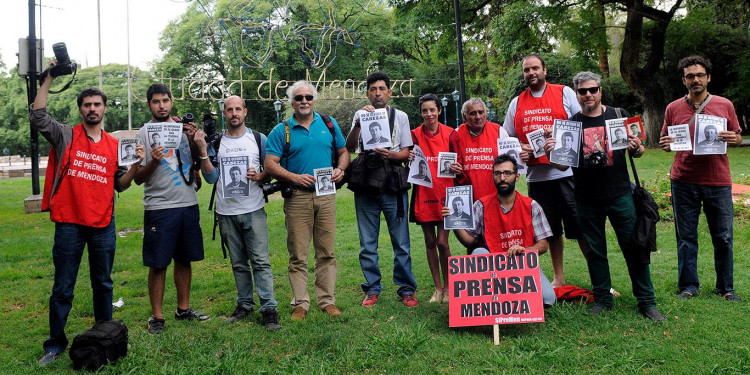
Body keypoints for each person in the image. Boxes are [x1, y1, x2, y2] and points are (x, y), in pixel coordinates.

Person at [32, 61, 143, 364]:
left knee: (103, 284)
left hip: (103, 223)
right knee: (63, 288)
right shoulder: (66, 136)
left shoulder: (115, 144)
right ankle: (54, 344)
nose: (92, 108)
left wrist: (135, 166)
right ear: (80, 109)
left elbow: (121, 185)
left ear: (105, 109)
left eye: (97, 104)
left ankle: (104, 338)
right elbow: (39, 115)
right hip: (69, 223)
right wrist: (49, 78)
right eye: (87, 104)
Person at [546, 71, 665, 320]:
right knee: (595, 250)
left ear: (600, 91)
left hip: (620, 194)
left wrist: (638, 147)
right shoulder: (571, 124)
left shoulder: (619, 116)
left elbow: (639, 152)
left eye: (592, 90)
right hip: (586, 198)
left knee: (634, 248)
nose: (588, 95)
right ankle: (602, 299)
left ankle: (647, 302)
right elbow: (560, 166)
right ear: (576, 94)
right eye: (582, 91)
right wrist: (552, 153)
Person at [265, 80, 350, 320]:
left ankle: (327, 301)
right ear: (292, 102)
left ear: (314, 100)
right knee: (298, 255)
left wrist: (341, 169)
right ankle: (300, 303)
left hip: (326, 196)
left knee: (326, 252)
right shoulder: (282, 130)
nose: (304, 101)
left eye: (308, 97)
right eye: (299, 98)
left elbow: (344, 152)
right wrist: (294, 177)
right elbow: (270, 163)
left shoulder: (329, 124)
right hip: (298, 198)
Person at [659, 55, 742, 301]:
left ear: (708, 77)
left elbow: (737, 136)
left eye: (699, 75)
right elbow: (665, 140)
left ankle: (726, 287)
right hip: (683, 179)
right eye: (690, 76)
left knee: (724, 237)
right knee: (686, 237)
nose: (695, 79)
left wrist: (732, 139)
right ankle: (688, 286)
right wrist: (666, 144)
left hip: (717, 180)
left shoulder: (724, 105)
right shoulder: (673, 108)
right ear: (684, 80)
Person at [195, 95, 281, 330]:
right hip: (226, 211)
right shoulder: (217, 142)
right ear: (224, 113)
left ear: (245, 112)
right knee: (238, 263)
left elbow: (271, 169)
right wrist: (203, 151)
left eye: (238, 109)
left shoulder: (257, 139)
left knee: (261, 261)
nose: (234, 113)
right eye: (229, 110)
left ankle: (269, 308)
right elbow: (211, 177)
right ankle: (244, 304)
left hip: (253, 208)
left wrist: (261, 175)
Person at [503, 53, 585, 288]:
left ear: (545, 70)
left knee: (579, 227)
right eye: (527, 70)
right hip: (536, 177)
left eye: (535, 68)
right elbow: (506, 135)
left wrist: (556, 133)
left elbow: (579, 124)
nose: (531, 73)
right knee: (550, 231)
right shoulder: (517, 102)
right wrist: (520, 147)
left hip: (566, 173)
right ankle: (558, 277)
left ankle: (599, 279)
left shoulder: (563, 92)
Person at [135, 84, 209, 335]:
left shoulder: (183, 129)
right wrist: (154, 161)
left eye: (166, 100)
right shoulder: (143, 133)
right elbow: (138, 178)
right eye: (156, 101)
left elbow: (198, 164)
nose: (162, 106)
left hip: (187, 202)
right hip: (159, 205)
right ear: (149, 105)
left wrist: (196, 140)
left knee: (184, 258)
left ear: (171, 101)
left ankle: (183, 308)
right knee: (158, 263)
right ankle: (157, 316)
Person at [443, 154, 556, 307]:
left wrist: (524, 250)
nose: (502, 178)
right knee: (477, 254)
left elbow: (543, 245)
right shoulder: (481, 205)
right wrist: (453, 221)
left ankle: (508, 296)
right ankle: (499, 297)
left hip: (521, 265)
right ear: (493, 176)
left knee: (548, 299)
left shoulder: (531, 205)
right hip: (494, 270)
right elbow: (469, 241)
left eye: (507, 173)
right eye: (498, 173)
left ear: (517, 177)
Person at [346, 71, 419, 308]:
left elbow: (407, 151)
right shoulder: (360, 114)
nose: (377, 93)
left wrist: (391, 154)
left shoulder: (401, 116)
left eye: (382, 89)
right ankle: (372, 287)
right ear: (367, 93)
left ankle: (406, 288)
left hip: (392, 182)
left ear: (389, 91)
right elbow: (349, 146)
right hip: (366, 181)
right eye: (373, 89)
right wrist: (358, 123)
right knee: (368, 242)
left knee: (401, 242)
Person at [410, 94, 457, 303]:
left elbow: (460, 161)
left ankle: (449, 287)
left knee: (442, 242)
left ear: (439, 110)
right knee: (429, 241)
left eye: (432, 110)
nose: (429, 114)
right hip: (424, 194)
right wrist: (407, 158)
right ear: (421, 113)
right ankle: (437, 289)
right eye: (424, 111)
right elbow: (405, 159)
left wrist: (458, 167)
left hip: (446, 193)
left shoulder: (451, 134)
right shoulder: (413, 135)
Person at [450, 98, 509, 200]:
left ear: (485, 114)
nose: (478, 117)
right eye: (473, 113)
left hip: (496, 196)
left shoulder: (499, 131)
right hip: (466, 198)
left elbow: (510, 163)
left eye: (481, 112)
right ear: (465, 116)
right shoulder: (456, 134)